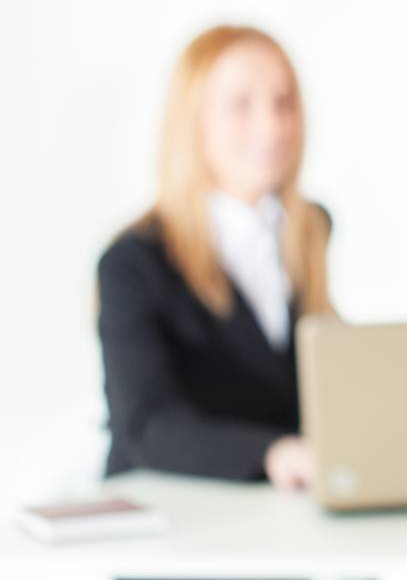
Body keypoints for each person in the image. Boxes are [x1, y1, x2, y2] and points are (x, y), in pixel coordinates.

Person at [97, 25, 333, 490]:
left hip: (279, 516)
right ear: (194, 121)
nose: (272, 125)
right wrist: (273, 452)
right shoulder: (134, 263)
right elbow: (146, 424)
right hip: (178, 523)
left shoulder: (309, 229)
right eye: (241, 105)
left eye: (284, 102)